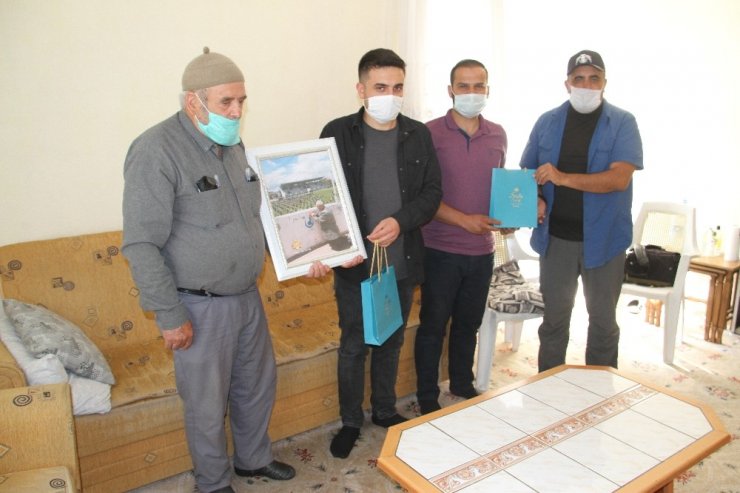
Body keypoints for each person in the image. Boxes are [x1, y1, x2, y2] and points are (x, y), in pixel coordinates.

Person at [122, 47, 295, 493]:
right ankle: (213, 484)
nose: (236, 111)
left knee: (256, 387)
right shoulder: (156, 150)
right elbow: (141, 243)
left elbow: (251, 220)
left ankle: (253, 460)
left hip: (246, 297)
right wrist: (168, 314)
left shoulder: (232, 145)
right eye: (226, 103)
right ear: (193, 102)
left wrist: (301, 254)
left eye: (241, 101)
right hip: (198, 306)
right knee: (205, 404)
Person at [307, 48, 442, 458]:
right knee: (353, 345)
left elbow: (432, 193)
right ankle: (350, 421)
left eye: (398, 87)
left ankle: (384, 410)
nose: (390, 94)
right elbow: (319, 197)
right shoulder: (336, 132)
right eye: (381, 86)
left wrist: (401, 220)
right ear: (361, 89)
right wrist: (328, 249)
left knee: (390, 339)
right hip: (354, 264)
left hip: (401, 263)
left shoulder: (418, 134)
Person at [520, 49, 643, 372]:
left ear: (604, 83)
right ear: (567, 84)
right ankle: (548, 389)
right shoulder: (547, 122)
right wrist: (538, 198)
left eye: (594, 79)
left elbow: (618, 179)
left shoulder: (623, 123)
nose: (586, 85)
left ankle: (598, 395)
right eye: (579, 79)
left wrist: (562, 179)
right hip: (557, 239)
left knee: (603, 322)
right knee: (554, 321)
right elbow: (528, 172)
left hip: (605, 242)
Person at [415, 59, 508, 415]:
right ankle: (426, 395)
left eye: (478, 86)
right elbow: (421, 196)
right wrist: (462, 220)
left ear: (488, 90)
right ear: (450, 90)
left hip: (482, 251)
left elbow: (499, 189)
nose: (471, 93)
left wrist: (507, 218)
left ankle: (461, 383)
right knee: (433, 326)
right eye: (464, 86)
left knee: (468, 324)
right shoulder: (429, 133)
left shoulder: (498, 134)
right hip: (439, 248)